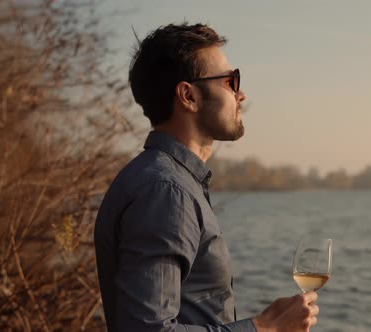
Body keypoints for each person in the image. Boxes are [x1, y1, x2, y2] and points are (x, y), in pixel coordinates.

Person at [94, 23, 319, 332]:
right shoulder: (166, 191)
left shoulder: (171, 183)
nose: (241, 94)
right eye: (230, 81)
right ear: (188, 96)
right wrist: (263, 328)